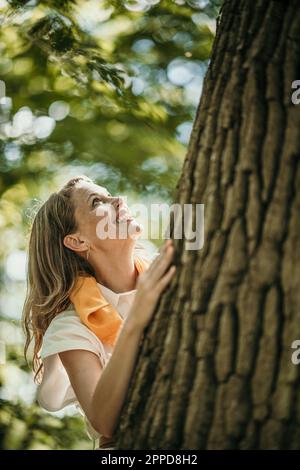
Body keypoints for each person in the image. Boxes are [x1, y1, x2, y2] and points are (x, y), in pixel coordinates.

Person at [22, 174, 176, 449]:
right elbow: (105, 421)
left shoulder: (170, 270)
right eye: (97, 202)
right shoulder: (71, 327)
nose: (119, 200)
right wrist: (136, 321)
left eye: (109, 193)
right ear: (78, 241)